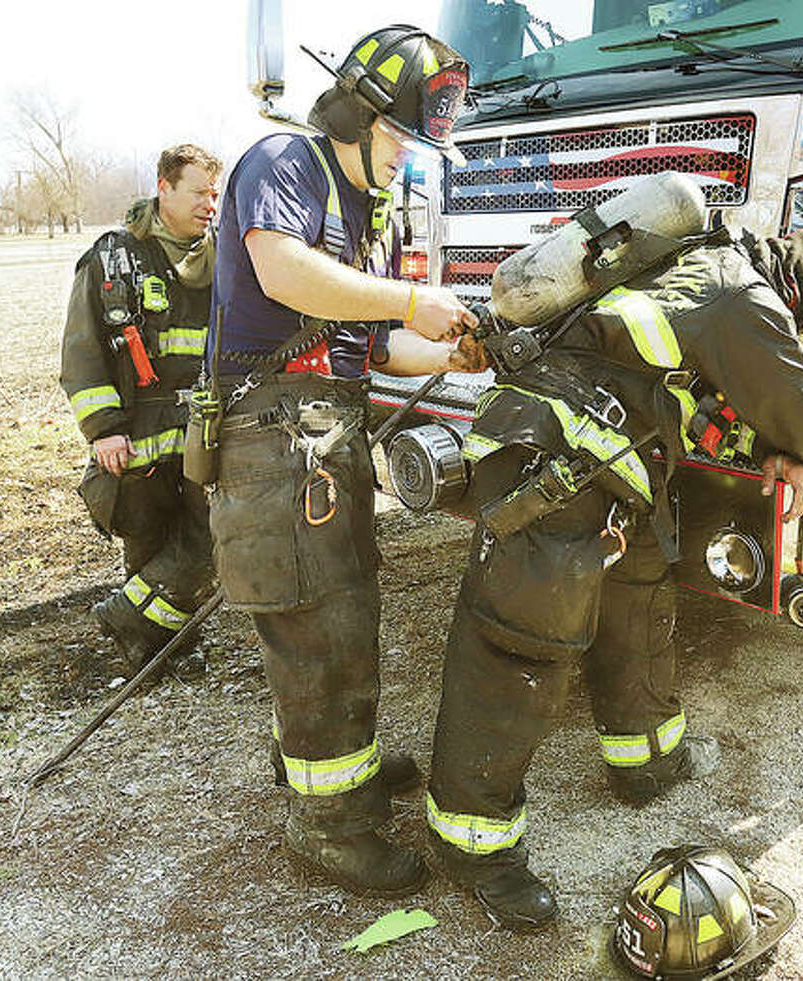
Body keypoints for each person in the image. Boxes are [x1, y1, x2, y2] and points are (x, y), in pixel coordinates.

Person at [426, 222, 803, 930]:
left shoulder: (700, 269)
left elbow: (715, 398)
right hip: (550, 461)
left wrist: (770, 450)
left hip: (611, 459)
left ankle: (648, 758)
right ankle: (471, 841)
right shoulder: (742, 297)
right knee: (520, 646)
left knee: (639, 597)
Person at [205, 25, 482, 899]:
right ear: (358, 117)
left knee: (341, 612)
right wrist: (411, 296)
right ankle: (330, 828)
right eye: (403, 139)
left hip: (324, 434)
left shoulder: (366, 211)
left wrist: (448, 352)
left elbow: (364, 342)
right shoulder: (284, 161)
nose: (410, 160)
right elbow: (284, 274)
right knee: (320, 629)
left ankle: (330, 765)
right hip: (275, 441)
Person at [61, 143, 223, 677]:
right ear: (165, 188)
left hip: (204, 429)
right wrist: (104, 428)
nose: (210, 203)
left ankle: (129, 615)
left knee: (211, 539)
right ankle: (155, 650)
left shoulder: (224, 257)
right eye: (199, 191)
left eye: (215, 193)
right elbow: (82, 351)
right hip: (139, 435)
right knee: (149, 542)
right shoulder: (114, 258)